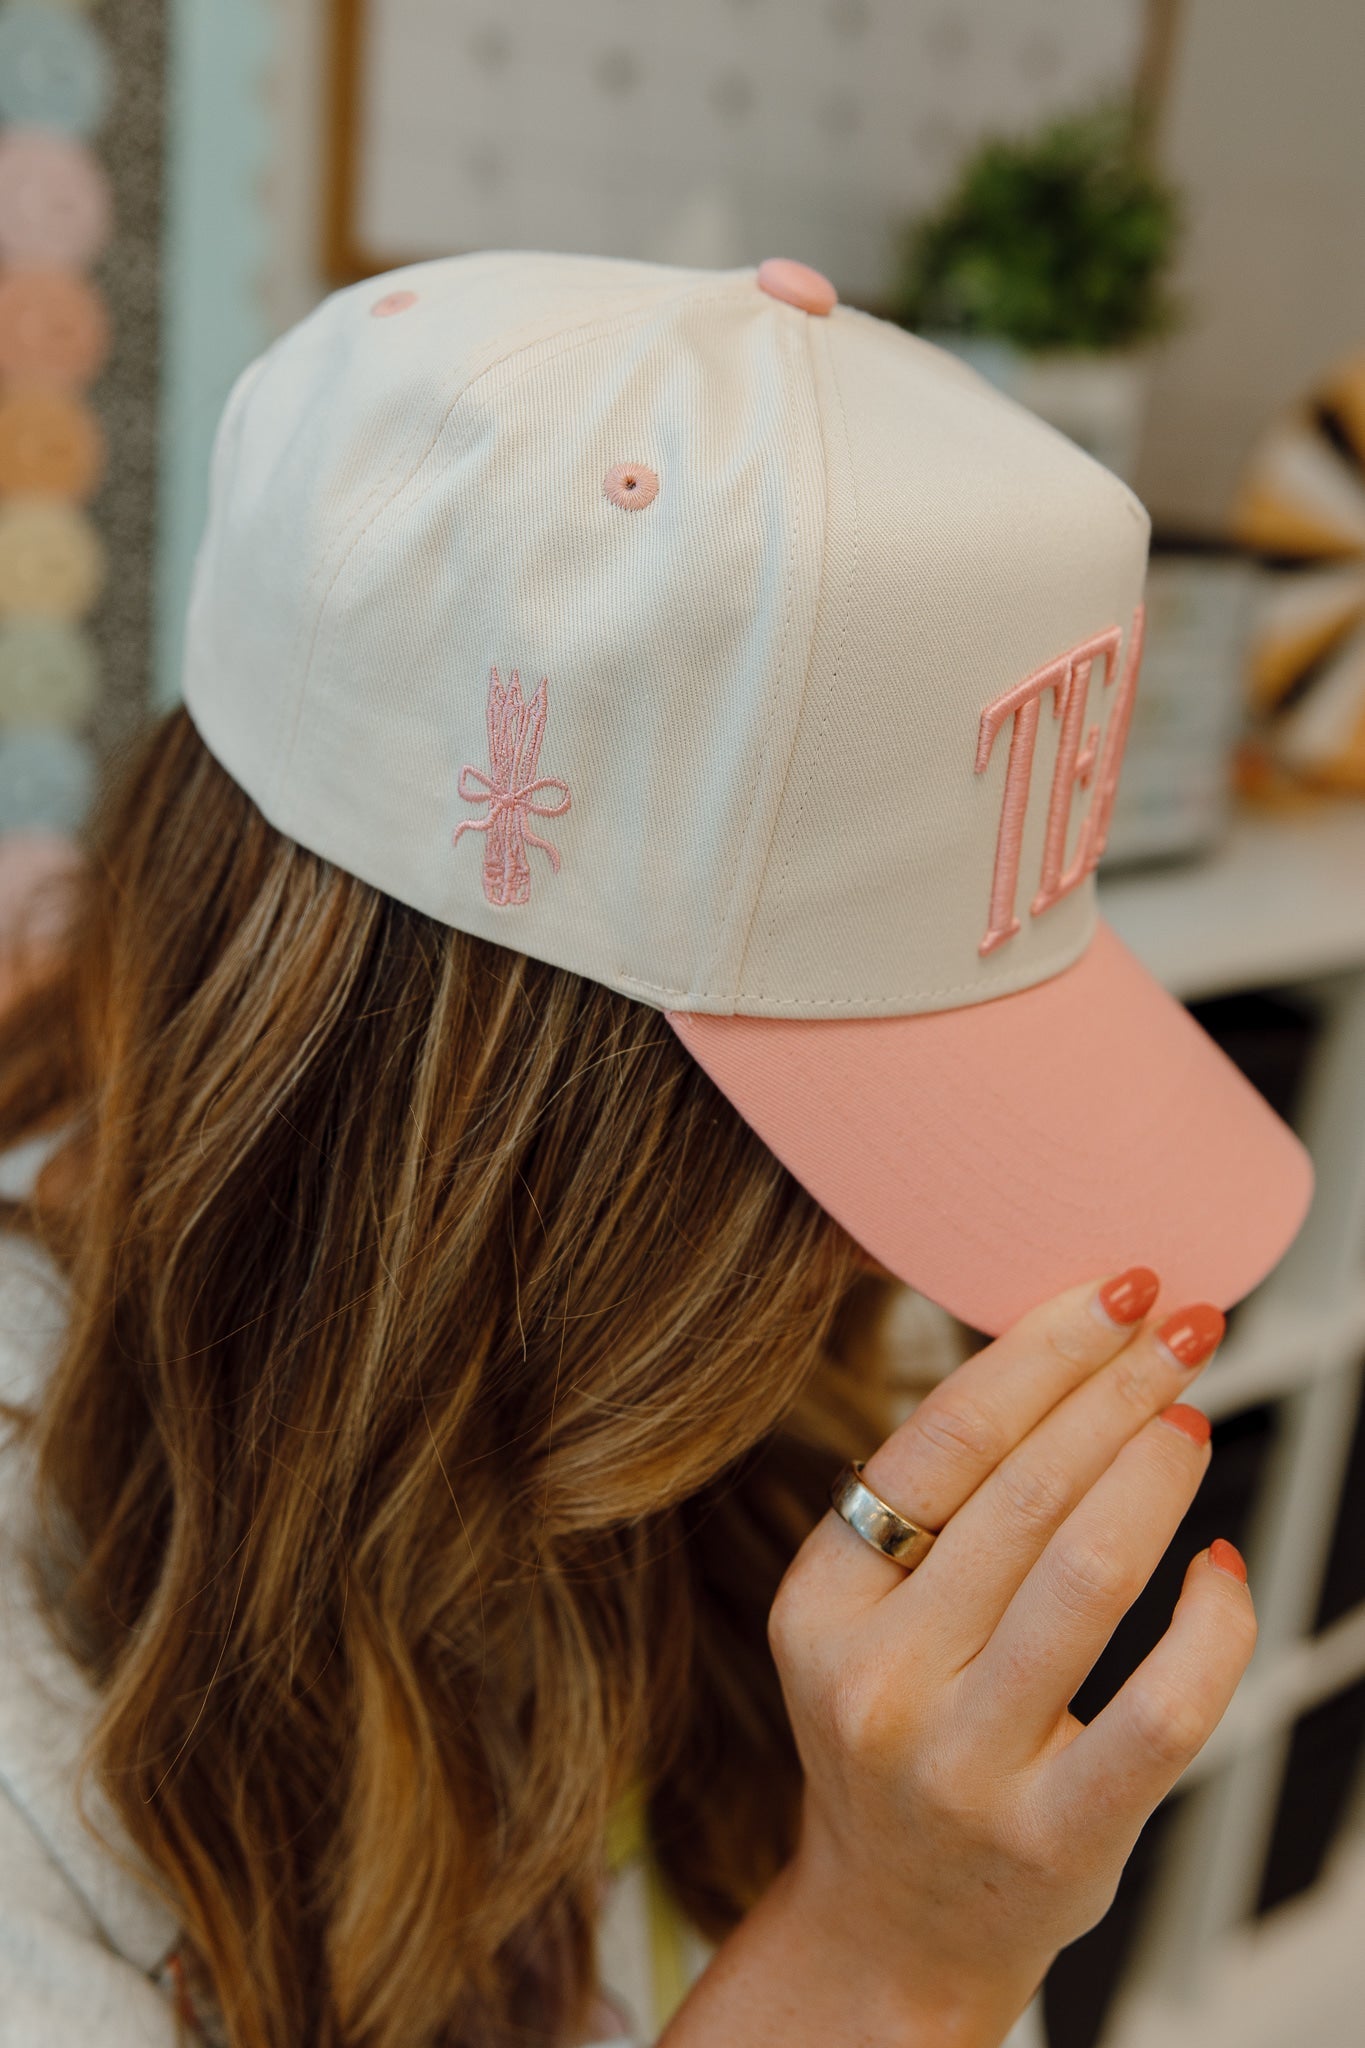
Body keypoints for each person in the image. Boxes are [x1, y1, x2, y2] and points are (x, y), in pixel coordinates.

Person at [0, 252, 1311, 2048]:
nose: (888, 1257)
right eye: (842, 1149)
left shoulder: (740, 1395)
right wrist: (884, 1966)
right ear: (505, 1127)